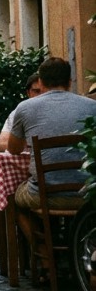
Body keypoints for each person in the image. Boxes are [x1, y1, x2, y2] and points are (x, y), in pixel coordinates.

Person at [6, 57, 96, 210]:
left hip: (45, 196)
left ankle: (42, 233)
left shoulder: (25, 108)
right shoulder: (92, 106)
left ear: (40, 82)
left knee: (13, 194)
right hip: (89, 194)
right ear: (69, 82)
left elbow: (13, 149)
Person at [0, 72, 44, 152]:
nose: (41, 96)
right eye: (36, 91)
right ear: (28, 93)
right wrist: (23, 144)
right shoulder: (19, 112)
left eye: (44, 92)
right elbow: (0, 144)